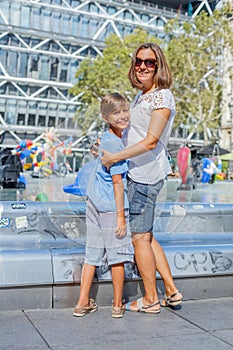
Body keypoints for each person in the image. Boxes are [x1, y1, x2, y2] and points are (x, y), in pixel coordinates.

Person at [101, 43, 183, 313]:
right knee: (147, 236)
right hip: (139, 172)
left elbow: (150, 142)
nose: (143, 66)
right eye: (139, 61)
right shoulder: (143, 97)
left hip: (145, 175)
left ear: (159, 66)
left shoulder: (161, 97)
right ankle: (171, 291)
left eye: (150, 62)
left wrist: (115, 157)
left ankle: (150, 299)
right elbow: (135, 134)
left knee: (139, 238)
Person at [73, 92, 134, 318]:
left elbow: (98, 155)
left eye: (125, 111)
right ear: (106, 117)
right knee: (117, 256)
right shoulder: (116, 144)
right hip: (111, 207)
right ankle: (118, 305)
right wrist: (121, 217)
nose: (123, 116)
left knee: (92, 254)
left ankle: (82, 303)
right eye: (116, 113)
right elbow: (118, 183)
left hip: (94, 203)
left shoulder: (106, 137)